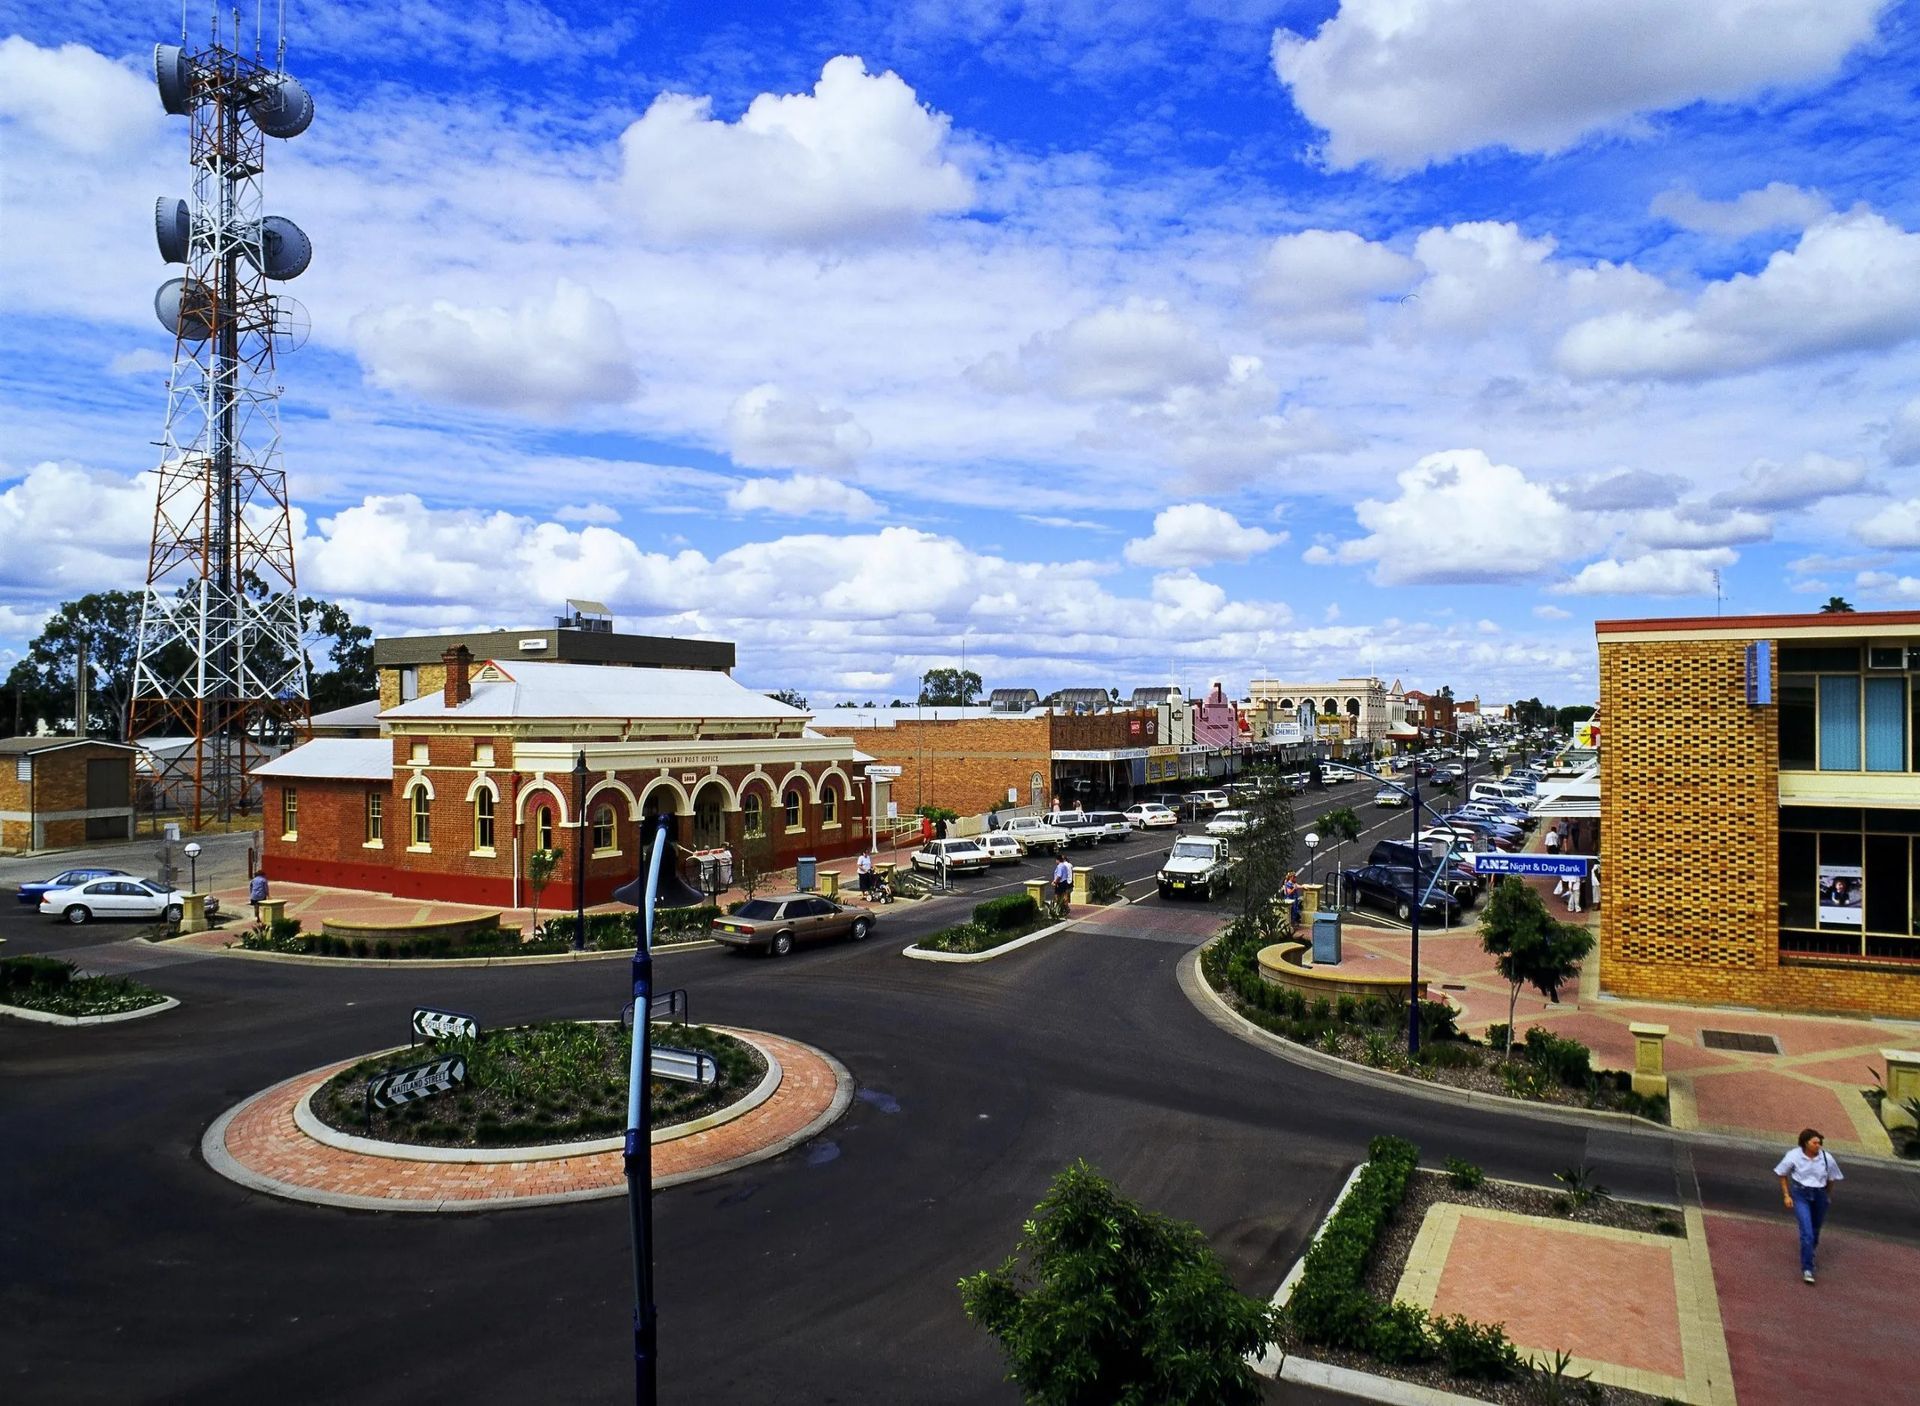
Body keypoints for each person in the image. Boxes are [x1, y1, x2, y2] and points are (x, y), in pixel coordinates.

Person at [1775, 1129, 1843, 1283]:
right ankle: (1807, 1268)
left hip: (1819, 1194)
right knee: (1807, 1231)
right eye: (1815, 1143)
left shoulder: (1827, 1158)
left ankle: (1810, 1251)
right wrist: (1786, 1195)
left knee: (1816, 1229)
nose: (1818, 1146)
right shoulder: (1793, 1156)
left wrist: (1827, 1197)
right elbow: (1781, 1173)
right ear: (1805, 1143)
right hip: (1801, 1194)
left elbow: (1832, 1179)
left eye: (1819, 1143)